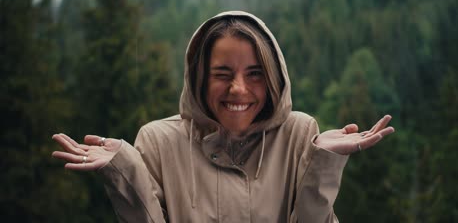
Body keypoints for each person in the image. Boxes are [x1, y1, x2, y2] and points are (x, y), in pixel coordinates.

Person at [52, 11, 394, 222]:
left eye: (255, 73)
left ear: (274, 78)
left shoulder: (300, 134)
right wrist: (123, 171)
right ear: (200, 75)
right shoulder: (158, 140)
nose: (238, 89)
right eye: (222, 73)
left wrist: (325, 164)